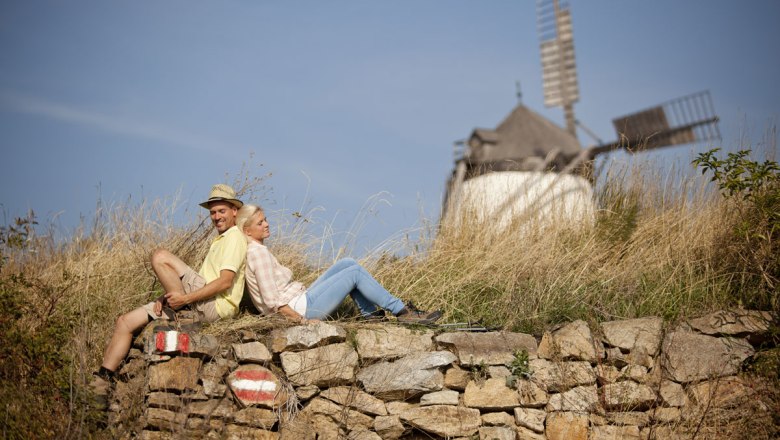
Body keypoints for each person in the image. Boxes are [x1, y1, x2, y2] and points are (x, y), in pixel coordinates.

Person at [91, 184, 247, 398]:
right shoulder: (219, 240)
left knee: (160, 256)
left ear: (234, 211)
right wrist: (166, 297)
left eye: (222, 211)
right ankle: (100, 387)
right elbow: (205, 282)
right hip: (199, 300)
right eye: (212, 212)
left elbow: (224, 283)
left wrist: (184, 299)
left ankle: (183, 313)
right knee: (125, 322)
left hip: (215, 307)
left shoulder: (234, 237)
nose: (216, 216)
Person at [236, 203, 442, 325]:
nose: (266, 224)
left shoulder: (257, 251)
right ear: (247, 231)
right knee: (354, 274)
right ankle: (403, 312)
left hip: (302, 300)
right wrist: (303, 322)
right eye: (260, 223)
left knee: (348, 262)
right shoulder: (258, 253)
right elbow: (273, 302)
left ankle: (370, 315)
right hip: (302, 309)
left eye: (265, 219)